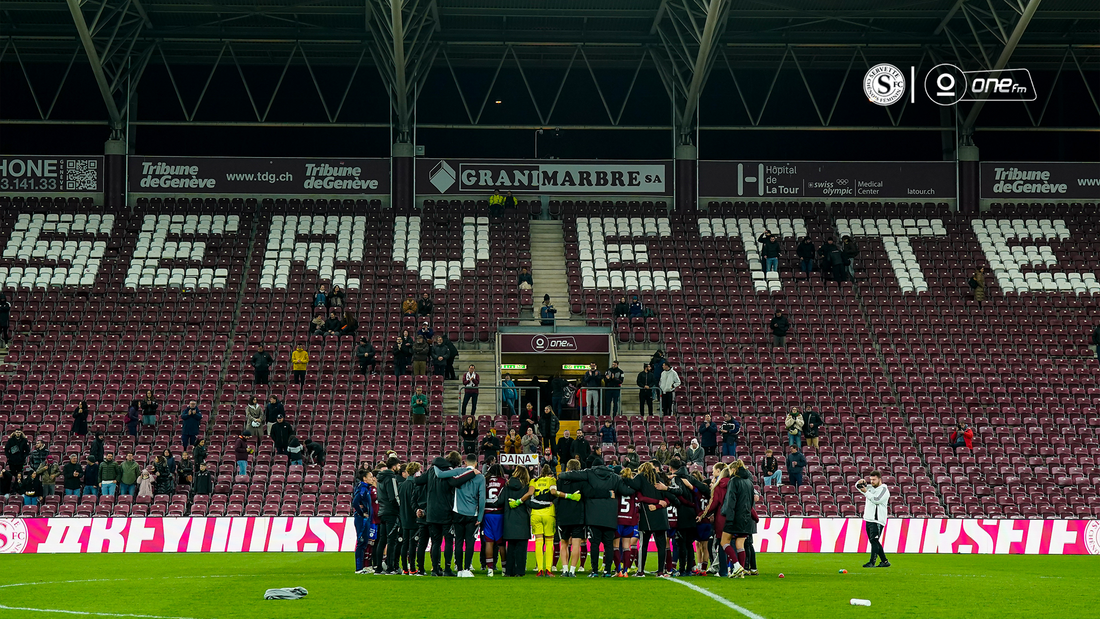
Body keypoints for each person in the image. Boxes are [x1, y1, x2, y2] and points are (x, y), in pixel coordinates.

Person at [558, 456, 635, 577]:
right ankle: (607, 571)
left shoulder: (589, 473)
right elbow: (627, 491)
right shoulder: (615, 477)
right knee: (609, 545)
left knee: (594, 544)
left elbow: (568, 476)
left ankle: (594, 571)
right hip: (610, 516)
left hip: (593, 515)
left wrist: (561, 475)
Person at [420, 451, 476, 577]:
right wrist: (471, 473)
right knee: (449, 541)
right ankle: (447, 569)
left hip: (431, 512)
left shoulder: (431, 470)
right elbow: (455, 483)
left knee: (435, 542)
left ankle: (435, 569)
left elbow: (418, 481)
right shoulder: (449, 473)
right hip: (446, 512)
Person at [438, 454, 485, 577]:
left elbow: (440, 475)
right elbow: (482, 499)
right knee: (470, 542)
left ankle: (459, 570)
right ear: (476, 463)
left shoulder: (458, 471)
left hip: (457, 512)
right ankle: (467, 569)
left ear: (464, 463)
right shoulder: (480, 477)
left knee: (458, 541)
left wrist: (435, 464)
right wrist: (480, 517)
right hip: (472, 514)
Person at [488, 465, 534, 577]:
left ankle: (509, 571)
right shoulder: (526, 487)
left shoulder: (507, 486)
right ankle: (520, 571)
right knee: (521, 550)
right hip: (522, 521)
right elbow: (529, 503)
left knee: (511, 547)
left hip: (509, 520)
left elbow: (499, 502)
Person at [527, 464, 559, 577]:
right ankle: (548, 570)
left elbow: (530, 493)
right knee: (550, 542)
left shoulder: (533, 481)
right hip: (548, 513)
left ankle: (539, 569)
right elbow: (553, 492)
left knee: (539, 542)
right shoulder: (552, 480)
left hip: (535, 513)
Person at [375, 456, 404, 575]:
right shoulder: (391, 477)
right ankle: (390, 568)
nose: (399, 468)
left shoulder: (379, 478)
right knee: (392, 540)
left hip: (382, 511)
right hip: (391, 512)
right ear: (394, 466)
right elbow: (394, 496)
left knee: (382, 540)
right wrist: (399, 508)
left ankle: (378, 568)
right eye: (398, 465)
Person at [857, 471, 891, 568]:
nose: (871, 482)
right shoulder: (871, 488)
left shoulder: (884, 490)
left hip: (877, 520)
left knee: (874, 540)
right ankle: (884, 561)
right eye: (871, 479)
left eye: (874, 479)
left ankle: (872, 562)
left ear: (879, 479)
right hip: (868, 519)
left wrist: (866, 492)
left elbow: (876, 500)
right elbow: (858, 487)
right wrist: (860, 482)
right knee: (874, 541)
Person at [397, 461, 423, 575]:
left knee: (404, 543)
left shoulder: (401, 485)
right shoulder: (417, 485)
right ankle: (412, 567)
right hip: (414, 517)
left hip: (403, 516)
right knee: (413, 544)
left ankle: (405, 568)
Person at [352, 469, 380, 574]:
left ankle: (361, 567)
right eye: (370, 476)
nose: (372, 478)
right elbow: (355, 502)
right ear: (364, 478)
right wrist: (362, 513)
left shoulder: (365, 488)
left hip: (366, 519)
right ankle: (358, 568)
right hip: (362, 520)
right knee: (361, 542)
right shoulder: (363, 488)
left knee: (364, 543)